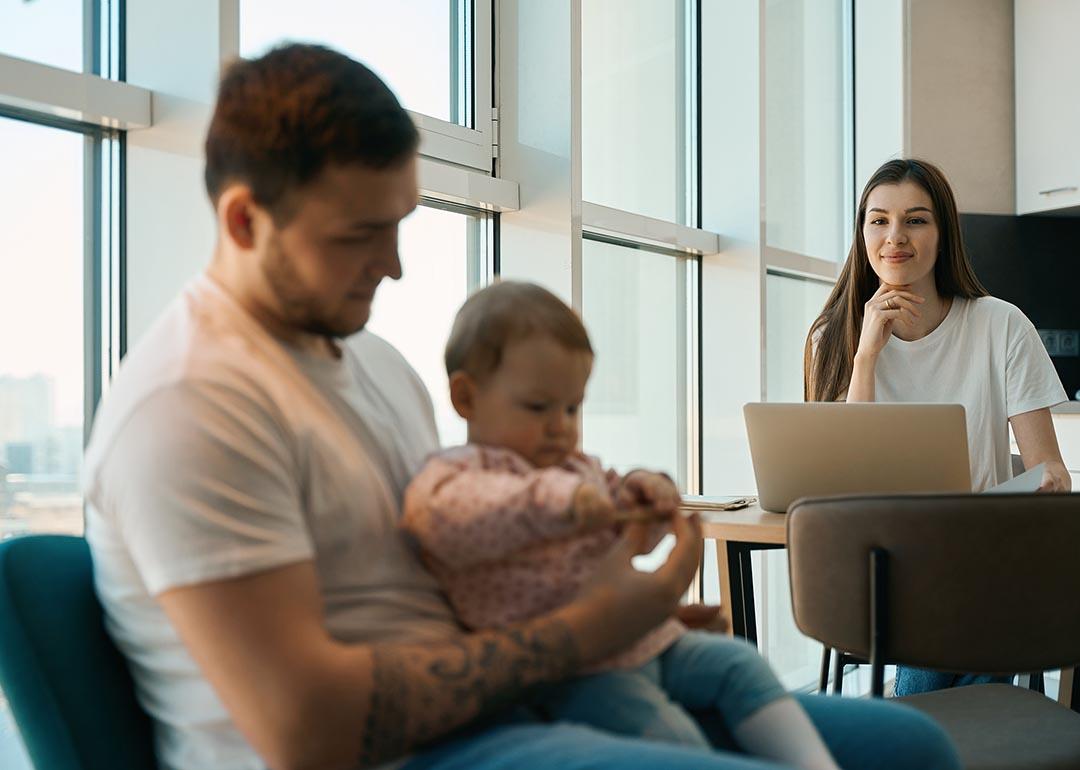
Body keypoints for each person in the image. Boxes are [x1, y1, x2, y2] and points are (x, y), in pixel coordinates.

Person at [83, 44, 962, 770]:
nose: (393, 266)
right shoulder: (189, 406)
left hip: (505, 706)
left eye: (400, 224)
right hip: (390, 754)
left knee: (907, 749)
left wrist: (620, 610)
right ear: (243, 222)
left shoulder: (377, 364)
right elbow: (305, 730)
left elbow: (458, 560)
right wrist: (588, 632)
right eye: (359, 235)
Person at [401, 281, 840, 769]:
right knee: (673, 740)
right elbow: (464, 520)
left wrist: (644, 492)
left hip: (643, 640)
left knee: (739, 664)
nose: (561, 426)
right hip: (575, 673)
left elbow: (626, 533)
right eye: (538, 407)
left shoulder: (575, 468)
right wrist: (563, 500)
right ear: (466, 398)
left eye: (572, 408)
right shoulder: (456, 476)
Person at [804, 157, 1070, 696]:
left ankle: (921, 735)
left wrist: (1049, 481)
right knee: (977, 630)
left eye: (916, 220)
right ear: (862, 233)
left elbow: (1051, 469)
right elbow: (842, 481)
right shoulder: (833, 337)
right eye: (878, 220)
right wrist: (866, 359)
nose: (894, 237)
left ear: (943, 233)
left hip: (979, 556)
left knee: (972, 595)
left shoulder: (1000, 324)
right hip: (879, 562)